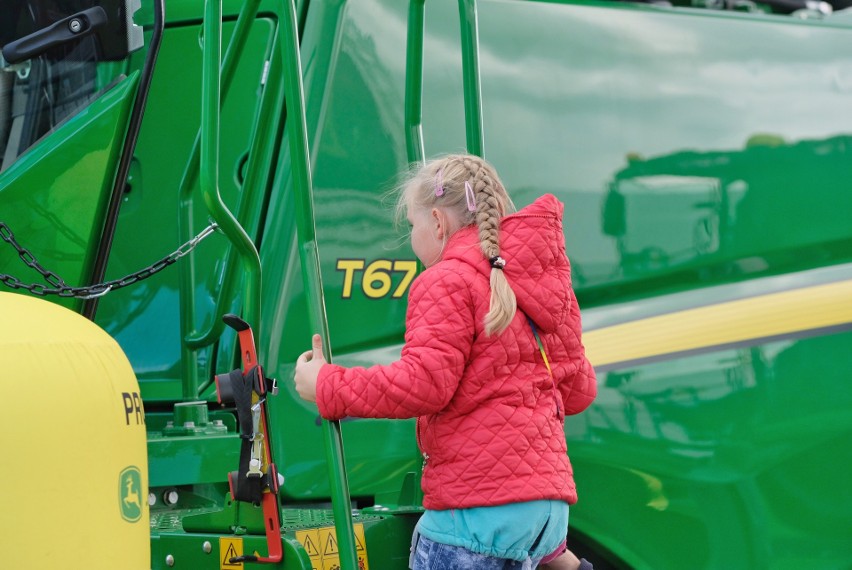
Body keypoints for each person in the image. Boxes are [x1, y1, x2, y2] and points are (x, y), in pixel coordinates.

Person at [294, 154, 597, 569]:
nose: (413, 237)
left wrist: (326, 384)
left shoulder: (445, 280)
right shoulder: (541, 283)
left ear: (438, 222)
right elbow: (579, 391)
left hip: (477, 510)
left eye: (413, 226)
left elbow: (423, 384)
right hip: (547, 513)